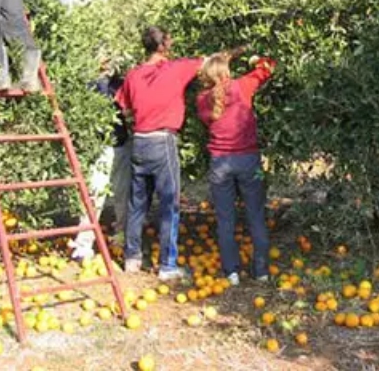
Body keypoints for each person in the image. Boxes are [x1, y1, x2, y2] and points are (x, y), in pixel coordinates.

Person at [115, 26, 204, 281]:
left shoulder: (133, 75)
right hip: (162, 141)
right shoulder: (175, 69)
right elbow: (208, 63)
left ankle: (132, 258)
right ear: (164, 44)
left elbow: (124, 106)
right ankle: (168, 265)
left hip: (139, 141)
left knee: (137, 203)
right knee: (169, 203)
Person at [197, 51, 275, 286]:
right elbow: (268, 66)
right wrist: (254, 59)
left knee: (225, 219)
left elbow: (208, 119)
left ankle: (231, 272)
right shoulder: (243, 86)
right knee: (256, 215)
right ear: (227, 72)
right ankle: (261, 271)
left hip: (220, 162)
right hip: (248, 159)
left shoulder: (202, 98)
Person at [69, 58, 131, 261]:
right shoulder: (95, 84)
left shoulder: (117, 83)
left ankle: (119, 238)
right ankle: (84, 243)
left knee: (121, 195)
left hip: (120, 145)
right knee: (97, 194)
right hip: (103, 147)